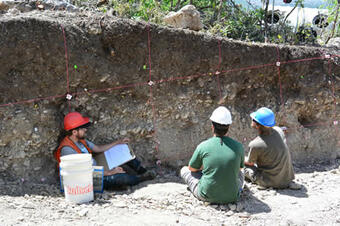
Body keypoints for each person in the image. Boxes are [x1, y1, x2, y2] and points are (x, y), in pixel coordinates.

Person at [55, 112, 155, 189]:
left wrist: (117, 142)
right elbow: (82, 172)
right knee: (120, 178)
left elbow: (98, 149)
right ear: (74, 131)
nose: (86, 130)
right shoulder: (67, 149)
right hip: (87, 179)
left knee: (122, 151)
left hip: (97, 167)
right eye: (83, 128)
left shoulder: (80, 140)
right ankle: (141, 179)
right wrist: (109, 172)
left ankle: (143, 171)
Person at [180, 106, 245, 204]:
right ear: (228, 127)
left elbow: (192, 169)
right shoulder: (239, 147)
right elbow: (239, 169)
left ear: (212, 126)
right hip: (232, 196)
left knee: (184, 170)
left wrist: (205, 167)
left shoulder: (203, 146)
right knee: (241, 173)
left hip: (206, 195)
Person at [244, 107, 295, 189]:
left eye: (253, 119)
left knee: (243, 166)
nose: (252, 119)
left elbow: (250, 163)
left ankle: (264, 184)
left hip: (269, 181)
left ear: (257, 125)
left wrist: (240, 159)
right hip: (287, 180)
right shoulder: (279, 131)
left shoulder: (255, 144)